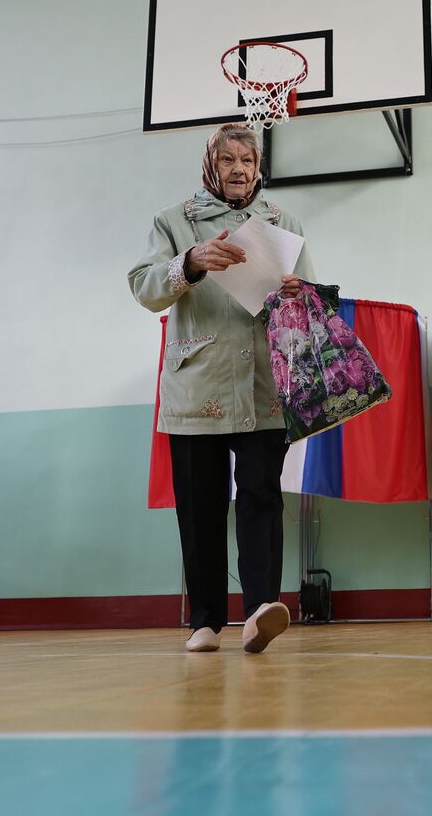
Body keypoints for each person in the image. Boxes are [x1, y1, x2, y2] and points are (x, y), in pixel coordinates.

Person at [128, 123, 313, 654]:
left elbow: (310, 299)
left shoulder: (283, 221)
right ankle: (205, 620)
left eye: (247, 161)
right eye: (228, 159)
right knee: (200, 506)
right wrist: (189, 263)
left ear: (259, 168)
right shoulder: (173, 221)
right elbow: (144, 288)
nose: (239, 169)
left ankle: (259, 612)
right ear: (211, 165)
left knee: (261, 498)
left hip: (263, 383)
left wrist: (299, 293)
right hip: (197, 380)